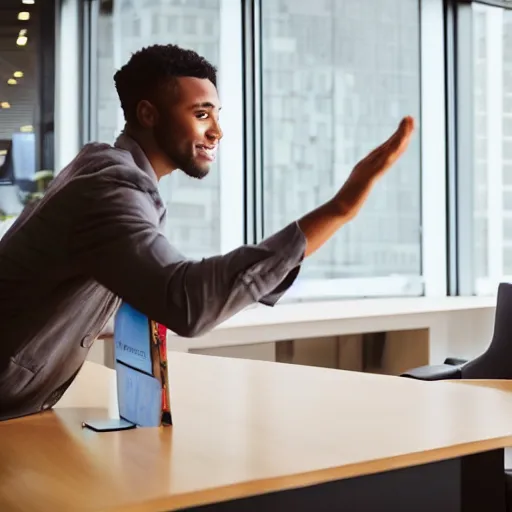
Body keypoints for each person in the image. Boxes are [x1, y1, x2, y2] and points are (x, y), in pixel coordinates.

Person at [0, 44, 414, 421]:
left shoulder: (103, 168)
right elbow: (186, 303)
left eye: (217, 114)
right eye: (201, 114)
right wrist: (340, 208)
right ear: (148, 114)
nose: (217, 131)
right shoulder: (111, 188)